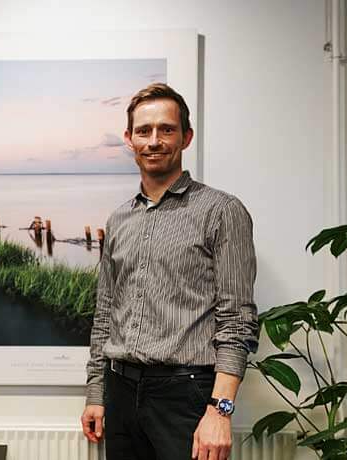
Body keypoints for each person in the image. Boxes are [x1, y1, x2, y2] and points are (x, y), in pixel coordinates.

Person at [80, 83, 259, 460]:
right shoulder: (119, 219)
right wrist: (97, 394)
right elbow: (105, 313)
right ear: (129, 139)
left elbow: (237, 320)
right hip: (121, 389)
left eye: (166, 129)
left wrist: (220, 411)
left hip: (186, 395)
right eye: (143, 131)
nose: (154, 141)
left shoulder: (221, 211)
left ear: (186, 137)